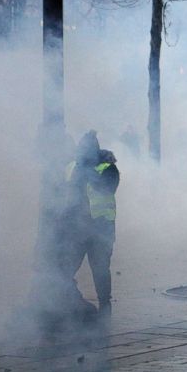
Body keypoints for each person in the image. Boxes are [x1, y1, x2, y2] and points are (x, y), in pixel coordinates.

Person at [65, 131, 120, 317]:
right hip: (78, 229)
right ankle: (73, 302)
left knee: (100, 271)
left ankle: (105, 308)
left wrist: (88, 174)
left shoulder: (108, 167)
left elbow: (107, 188)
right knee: (66, 268)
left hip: (100, 229)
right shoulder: (74, 167)